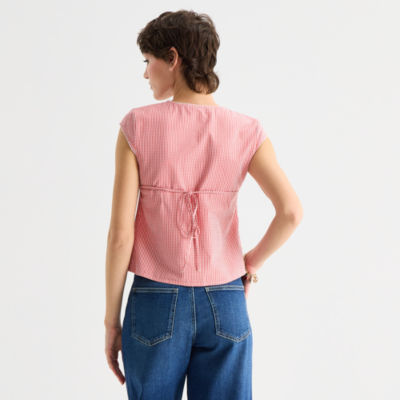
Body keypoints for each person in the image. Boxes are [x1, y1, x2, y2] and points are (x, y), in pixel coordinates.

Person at [104, 9, 303, 400]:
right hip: (225, 298)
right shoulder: (247, 131)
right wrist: (251, 262)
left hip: (154, 299)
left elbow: (120, 236)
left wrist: (112, 322)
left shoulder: (136, 127)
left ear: (173, 58)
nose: (145, 74)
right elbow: (291, 212)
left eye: (148, 61)